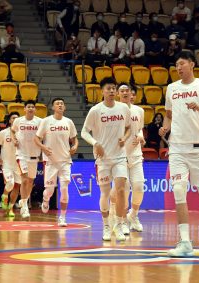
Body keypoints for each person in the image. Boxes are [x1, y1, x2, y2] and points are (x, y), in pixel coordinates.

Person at [159, 51, 199, 256]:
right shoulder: (171, 88)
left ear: (192, 64)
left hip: (198, 147)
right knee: (178, 190)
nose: (178, 67)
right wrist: (165, 127)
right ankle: (185, 242)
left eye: (182, 63)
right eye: (176, 64)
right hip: (176, 147)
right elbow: (169, 114)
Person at [81, 77, 131, 241]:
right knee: (105, 193)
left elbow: (129, 128)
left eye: (113, 88)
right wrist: (96, 143)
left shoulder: (123, 108)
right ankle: (106, 226)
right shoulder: (95, 110)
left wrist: (124, 137)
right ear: (102, 91)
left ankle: (119, 223)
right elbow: (84, 132)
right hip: (102, 159)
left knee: (121, 189)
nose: (111, 91)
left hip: (119, 157)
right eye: (108, 88)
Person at [34, 98, 78, 226]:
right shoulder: (46, 121)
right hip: (50, 161)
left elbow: (75, 139)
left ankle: (62, 217)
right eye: (57, 104)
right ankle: (45, 199)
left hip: (65, 161)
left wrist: (74, 146)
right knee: (49, 191)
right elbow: (36, 139)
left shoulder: (69, 122)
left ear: (64, 108)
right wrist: (43, 148)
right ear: (53, 107)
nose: (60, 105)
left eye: (62, 104)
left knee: (64, 190)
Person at [109, 83, 145, 235]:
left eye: (127, 90)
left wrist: (141, 136)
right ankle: (121, 221)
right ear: (118, 94)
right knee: (124, 190)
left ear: (131, 94)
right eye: (121, 91)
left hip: (136, 155)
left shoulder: (139, 111)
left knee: (138, 188)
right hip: (119, 156)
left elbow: (140, 129)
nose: (124, 93)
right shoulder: (113, 111)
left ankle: (133, 215)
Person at [11, 100, 42, 218]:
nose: (30, 108)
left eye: (33, 107)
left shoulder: (40, 121)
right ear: (24, 109)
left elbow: (43, 135)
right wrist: (14, 139)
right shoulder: (18, 121)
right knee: (24, 180)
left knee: (30, 181)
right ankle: (24, 207)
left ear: (35, 109)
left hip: (34, 155)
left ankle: (23, 201)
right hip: (21, 154)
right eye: (28, 107)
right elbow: (12, 131)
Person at [0, 112, 21, 217]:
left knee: (17, 187)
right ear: (9, 120)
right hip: (6, 164)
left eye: (17, 118)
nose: (15, 120)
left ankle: (10, 208)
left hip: (19, 164)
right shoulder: (3, 132)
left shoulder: (22, 133)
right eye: (13, 118)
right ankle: (4, 195)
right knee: (10, 183)